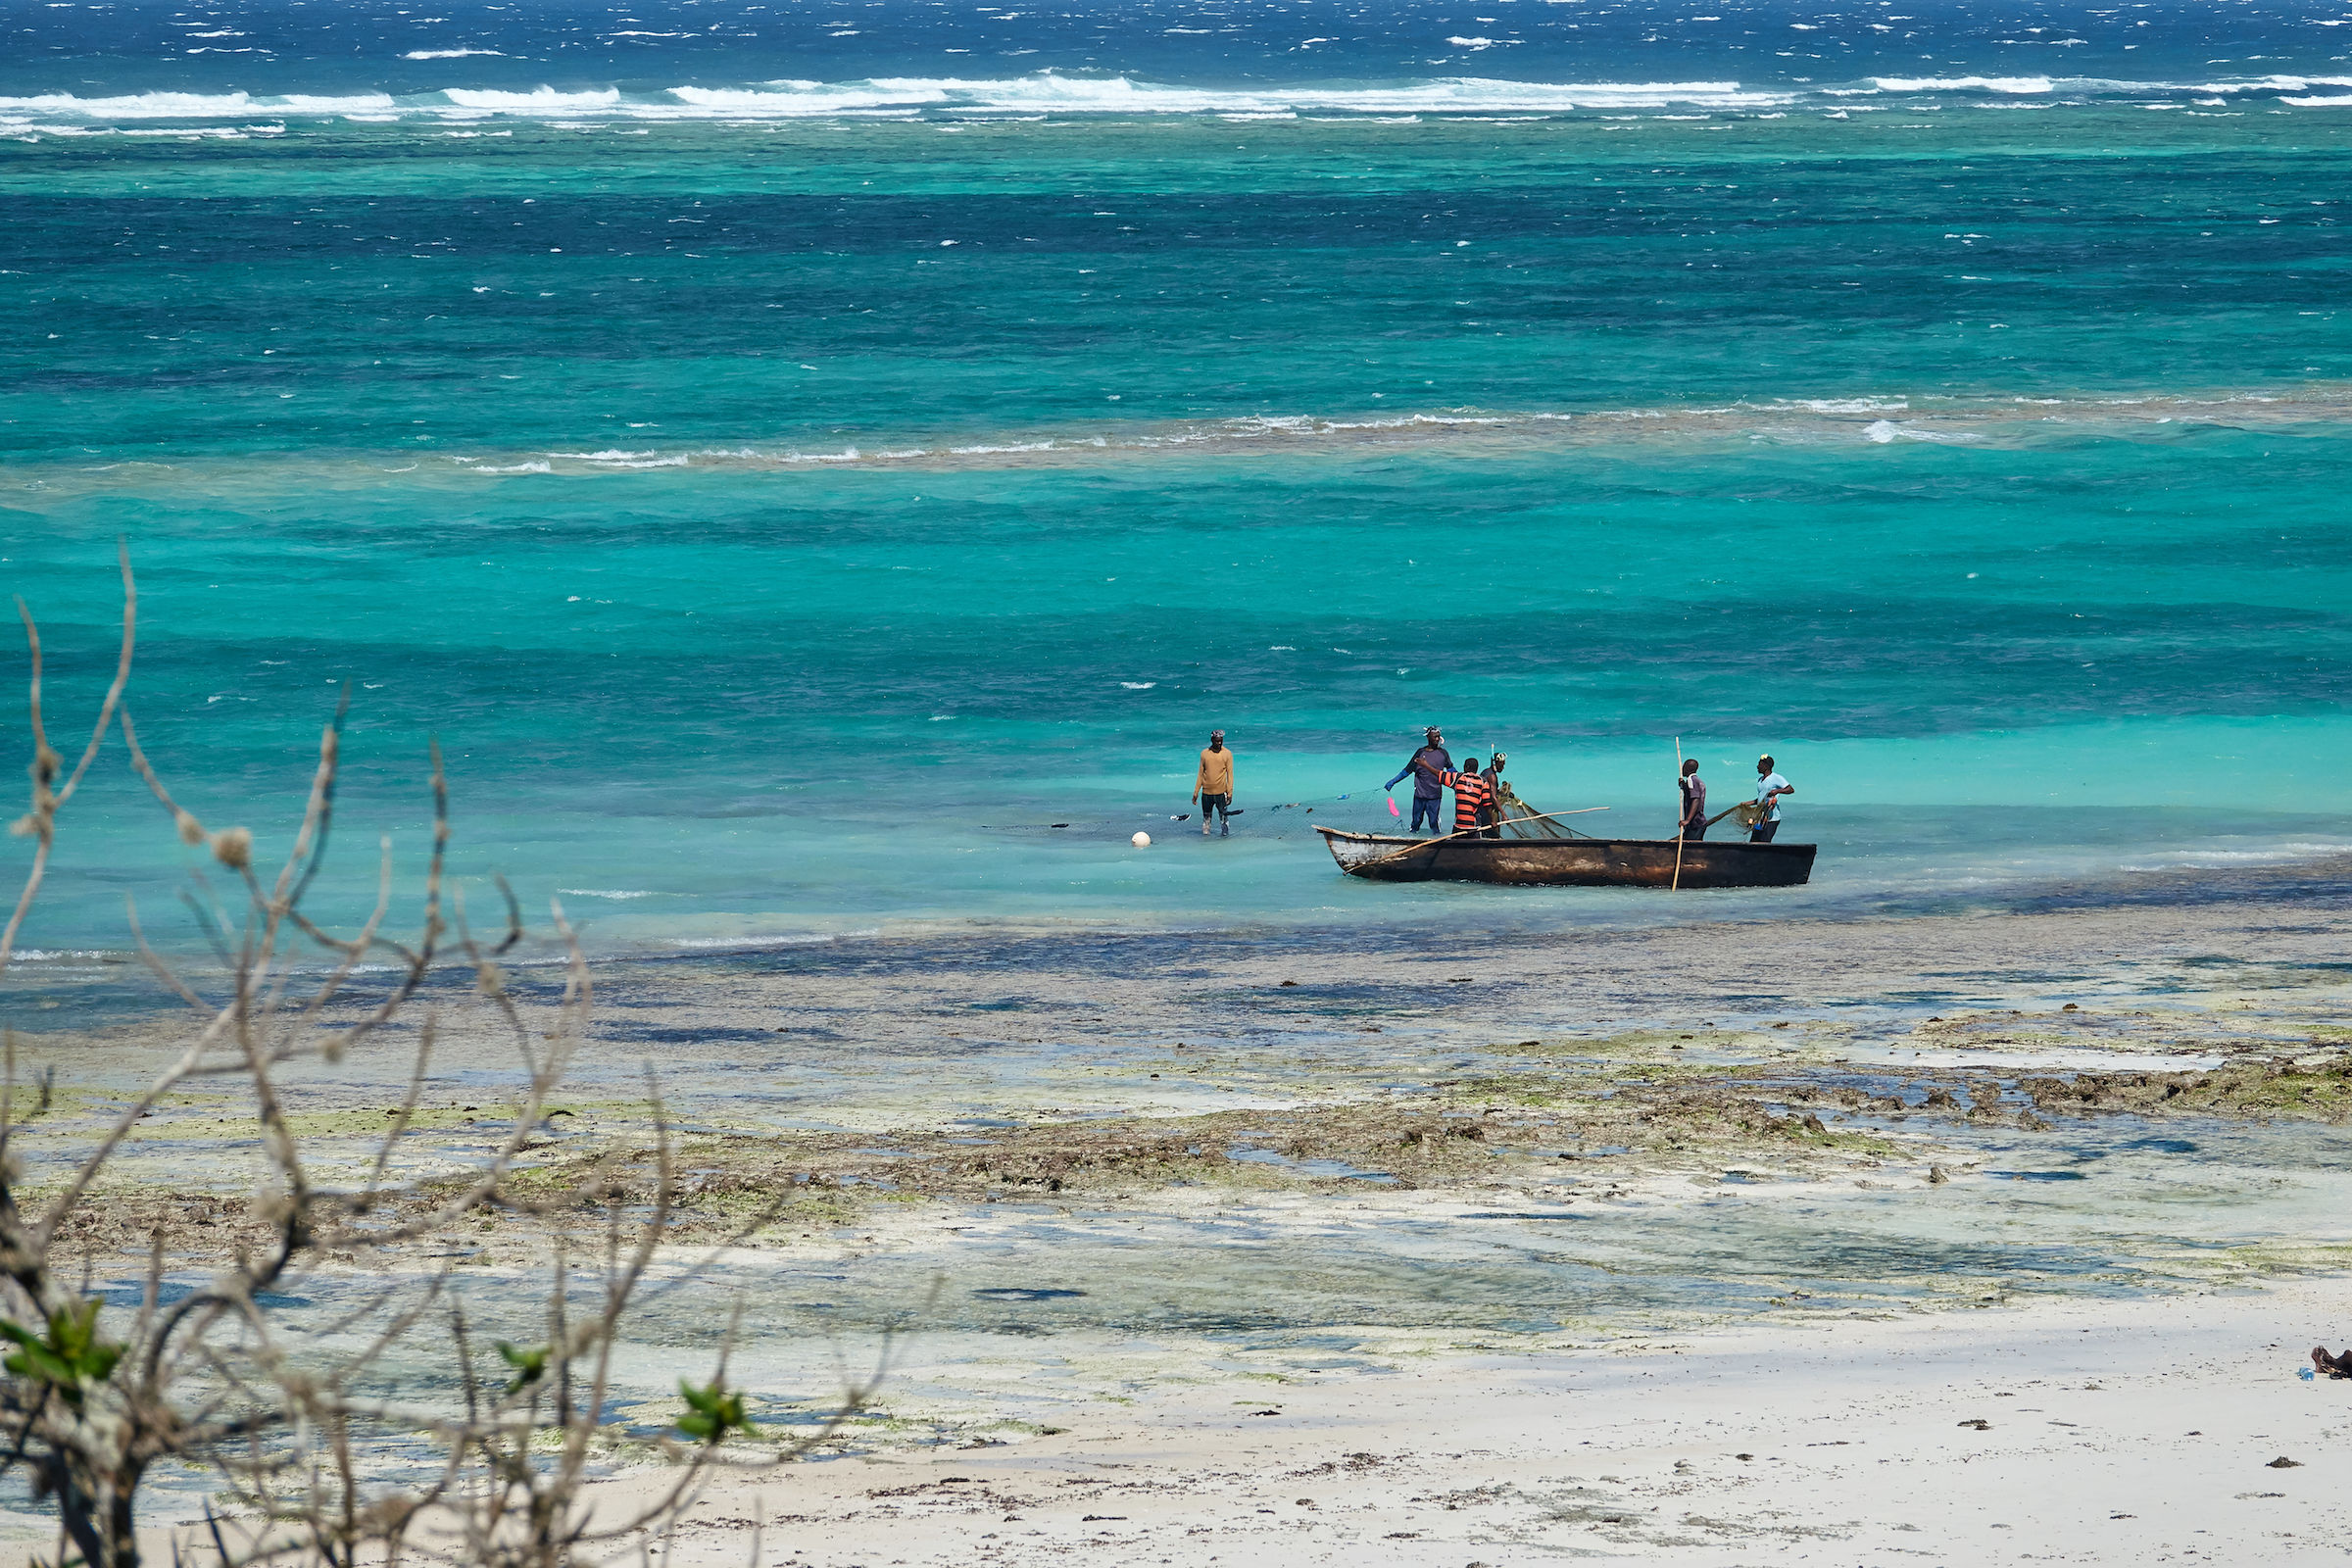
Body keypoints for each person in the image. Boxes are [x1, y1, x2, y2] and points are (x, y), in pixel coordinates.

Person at [1385, 726, 1453, 835]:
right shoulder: (1420, 752)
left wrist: (1461, 779)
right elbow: (1407, 771)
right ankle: (1412, 841)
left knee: (1433, 824)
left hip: (1435, 796)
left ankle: (1437, 844)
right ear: (1428, 738)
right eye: (1435, 737)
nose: (1437, 739)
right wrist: (1393, 781)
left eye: (1438, 736)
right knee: (1416, 822)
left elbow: (1451, 769)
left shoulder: (1443, 753)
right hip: (1419, 796)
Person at [1193, 729, 1235, 836]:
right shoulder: (1204, 754)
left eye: (1221, 741)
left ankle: (1225, 840)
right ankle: (1206, 841)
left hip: (1221, 793)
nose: (1219, 743)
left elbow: (1230, 775)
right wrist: (1196, 792)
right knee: (1206, 819)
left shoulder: (1227, 754)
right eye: (1217, 741)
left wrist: (1229, 792)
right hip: (1207, 793)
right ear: (1212, 740)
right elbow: (1200, 774)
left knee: (1224, 818)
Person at [1440, 758, 1495, 839]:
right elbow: (1487, 804)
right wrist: (1492, 820)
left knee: (1455, 848)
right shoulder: (1483, 782)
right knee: (1475, 848)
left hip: (1459, 825)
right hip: (1473, 826)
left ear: (1466, 767)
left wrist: (1425, 765)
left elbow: (1439, 774)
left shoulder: (1458, 778)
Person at [1749, 754, 1793, 843]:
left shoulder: (1776, 778)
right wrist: (1747, 803)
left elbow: (1790, 789)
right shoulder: (1760, 780)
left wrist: (1777, 791)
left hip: (1772, 819)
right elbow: (1761, 799)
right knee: (1754, 842)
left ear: (1766, 766)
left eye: (1759, 764)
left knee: (1764, 842)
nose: (1757, 766)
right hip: (1760, 818)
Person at [1480, 752, 1508, 837]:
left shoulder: (1486, 771)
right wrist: (1503, 814)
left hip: (1481, 808)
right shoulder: (1492, 776)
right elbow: (1493, 797)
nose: (1503, 767)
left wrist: (1502, 793)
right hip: (1486, 810)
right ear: (1495, 763)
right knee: (1493, 835)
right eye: (1501, 765)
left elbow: (1491, 790)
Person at [1678, 758, 1707, 841]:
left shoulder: (1691, 780)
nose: (1682, 769)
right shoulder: (1696, 781)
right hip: (1698, 823)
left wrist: (1687, 820)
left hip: (1696, 823)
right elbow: (1691, 793)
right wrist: (1683, 785)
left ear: (1687, 769)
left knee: (1689, 846)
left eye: (1683, 767)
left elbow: (1696, 800)